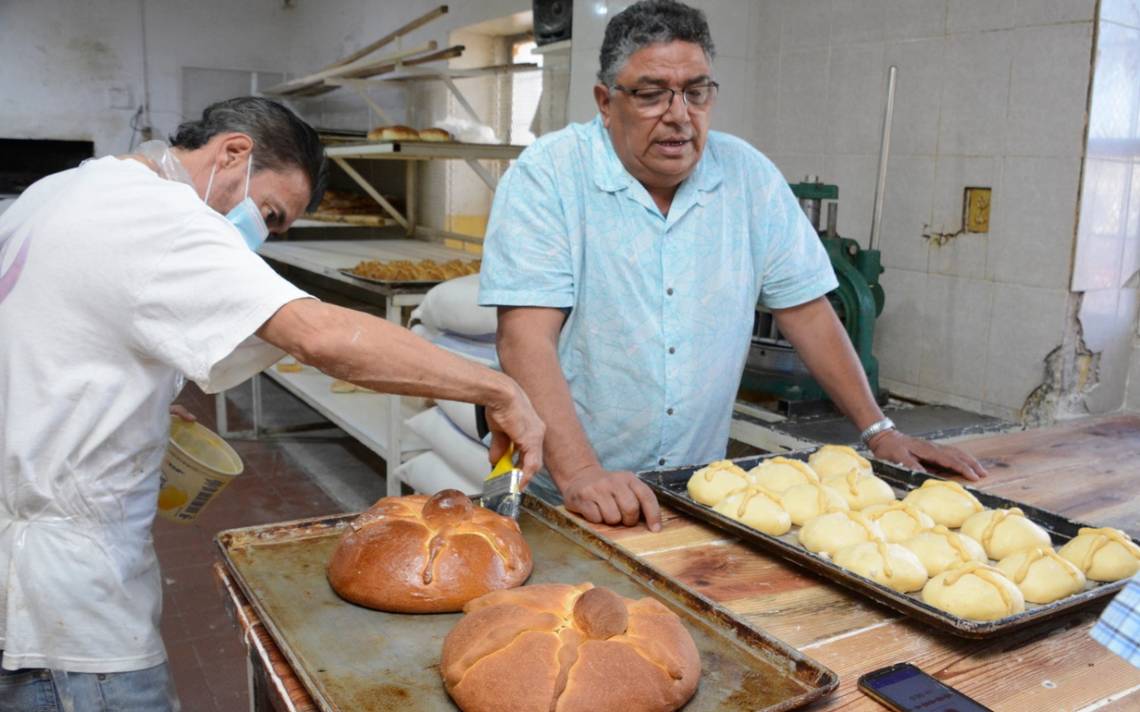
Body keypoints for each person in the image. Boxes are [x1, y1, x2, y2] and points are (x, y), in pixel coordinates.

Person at [0, 96, 544, 710]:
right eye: (269, 213)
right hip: (59, 607)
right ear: (234, 152)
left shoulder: (60, 192)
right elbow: (323, 338)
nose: (260, 237)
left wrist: (130, 406)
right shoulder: (161, 216)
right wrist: (498, 388)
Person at [478, 0, 985, 533]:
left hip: (686, 490)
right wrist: (581, 472)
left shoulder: (748, 177)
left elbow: (808, 312)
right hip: (553, 488)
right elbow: (523, 339)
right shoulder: (549, 176)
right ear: (606, 102)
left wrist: (879, 430)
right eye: (652, 95)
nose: (679, 115)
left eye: (696, 92)